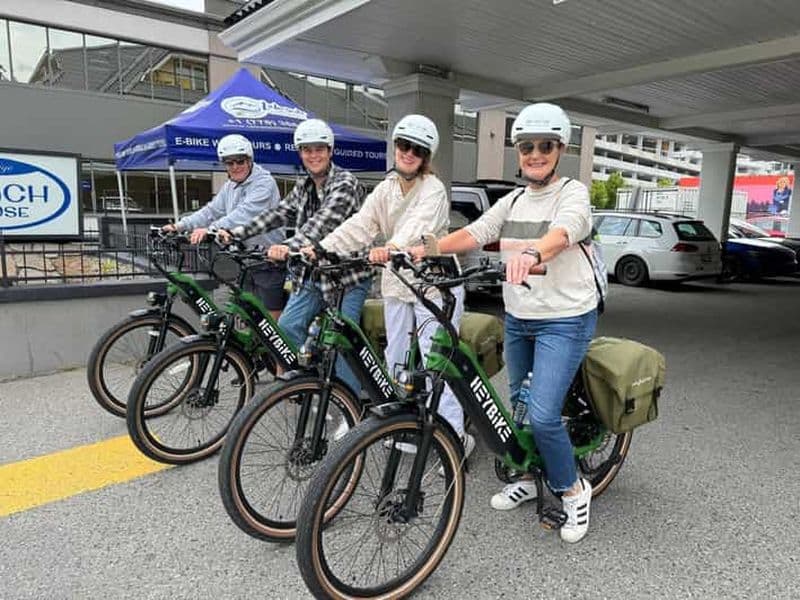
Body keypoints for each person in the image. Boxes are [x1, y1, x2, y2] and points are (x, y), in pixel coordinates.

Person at [414, 103, 598, 543]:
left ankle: (573, 489)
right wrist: (428, 249)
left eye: (545, 146)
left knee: (544, 413)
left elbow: (565, 230)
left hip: (565, 318)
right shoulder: (512, 200)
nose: (535, 153)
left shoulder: (573, 193)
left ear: (560, 149)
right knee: (517, 403)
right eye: (527, 146)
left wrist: (535, 252)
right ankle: (530, 473)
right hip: (520, 316)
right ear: (518, 151)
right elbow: (475, 233)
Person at [314, 114, 473, 457]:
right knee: (395, 359)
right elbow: (361, 223)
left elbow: (418, 228)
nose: (408, 152)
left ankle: (454, 437)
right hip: (398, 281)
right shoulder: (385, 189)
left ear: (426, 155)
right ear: (395, 147)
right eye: (403, 145)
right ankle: (401, 424)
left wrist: (391, 248)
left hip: (435, 285)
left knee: (438, 362)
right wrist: (323, 248)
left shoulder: (433, 190)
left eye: (417, 148)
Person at [220, 119, 371, 395]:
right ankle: (313, 380)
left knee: (341, 343)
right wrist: (235, 232)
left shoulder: (345, 184)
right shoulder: (303, 186)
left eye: (319, 149)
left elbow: (322, 224)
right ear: (300, 154)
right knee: (287, 328)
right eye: (306, 150)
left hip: (346, 278)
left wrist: (288, 246)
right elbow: (276, 214)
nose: (313, 155)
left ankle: (350, 403)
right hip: (313, 275)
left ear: (330, 151)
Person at [162, 133, 286, 319]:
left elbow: (245, 214)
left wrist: (210, 229)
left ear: (250, 160)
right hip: (245, 258)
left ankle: (270, 349)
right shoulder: (230, 185)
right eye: (229, 163)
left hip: (268, 259)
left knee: (271, 318)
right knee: (247, 314)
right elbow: (211, 210)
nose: (235, 166)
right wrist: (179, 226)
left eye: (240, 161)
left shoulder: (264, 183)